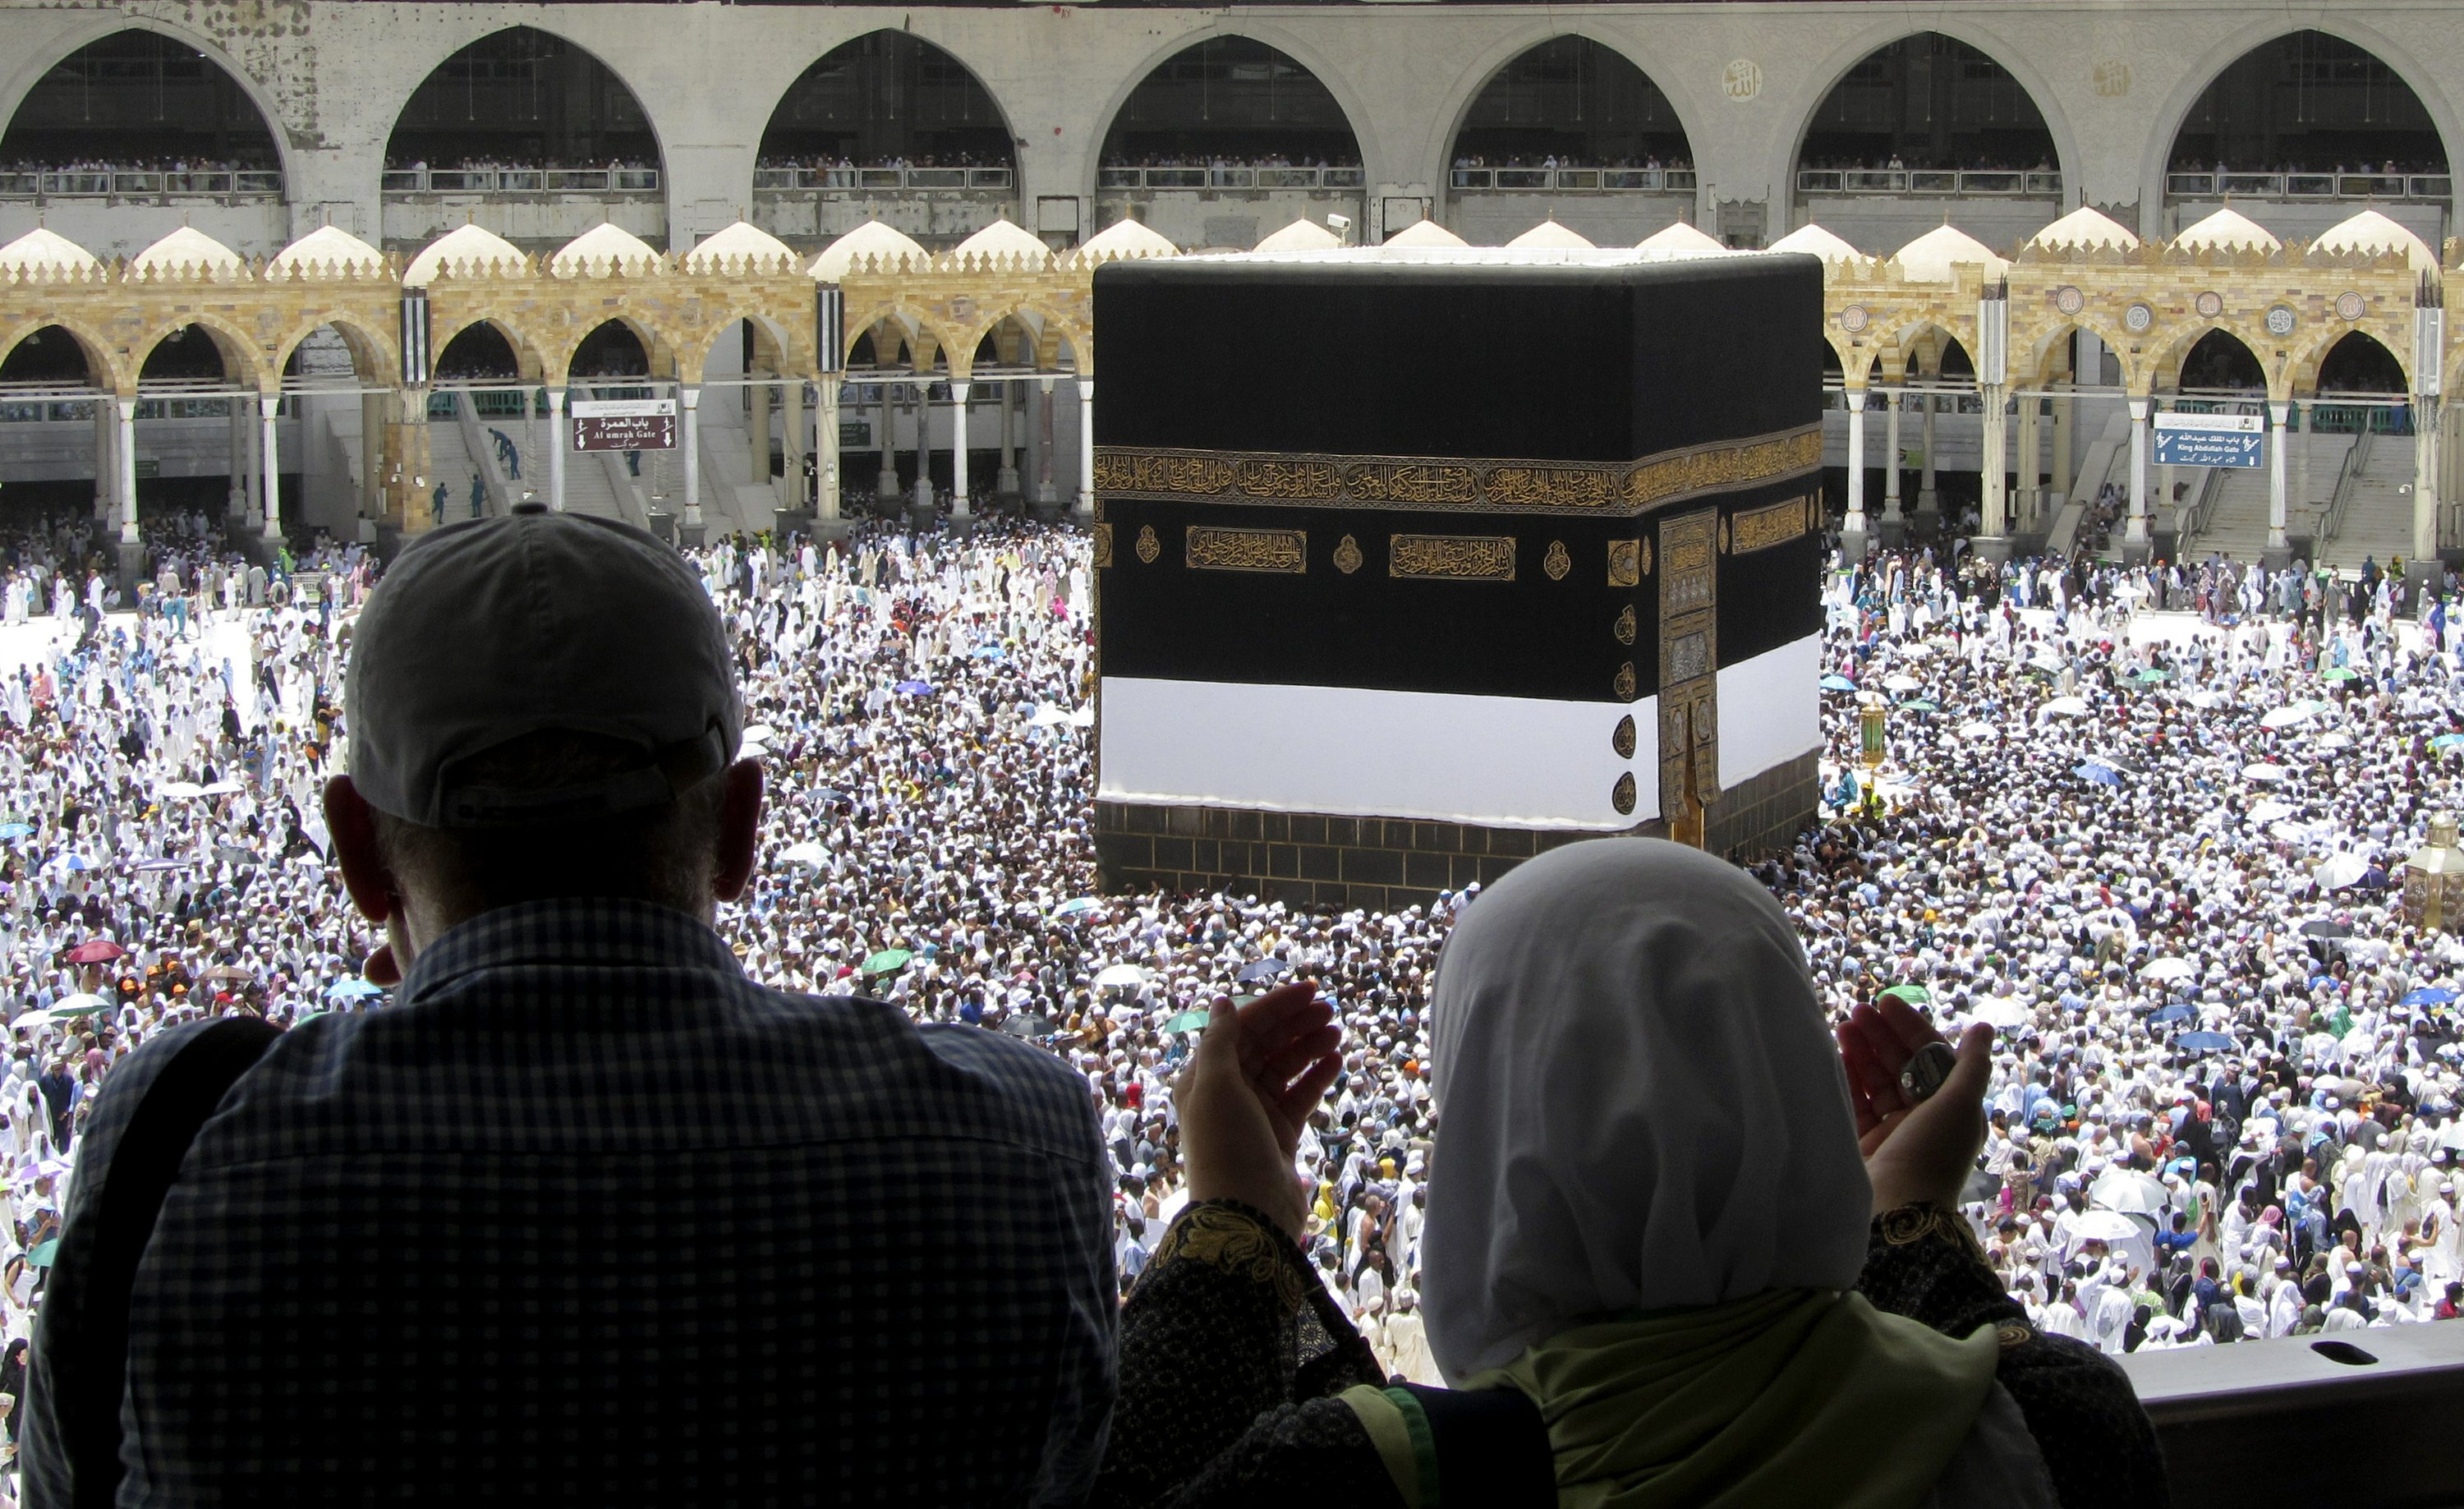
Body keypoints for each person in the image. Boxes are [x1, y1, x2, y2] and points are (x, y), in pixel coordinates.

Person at [21, 505, 1116, 1505]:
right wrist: (1232, 1233)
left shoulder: (176, 1151)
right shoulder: (1018, 1144)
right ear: (740, 828)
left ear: (357, 851)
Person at [1096, 839, 2163, 1507]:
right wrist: (1909, 1214)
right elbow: (1991, 1375)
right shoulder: (2062, 1428)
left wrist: (1236, 1215)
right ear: (1786, 1077)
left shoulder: (1353, 1474)